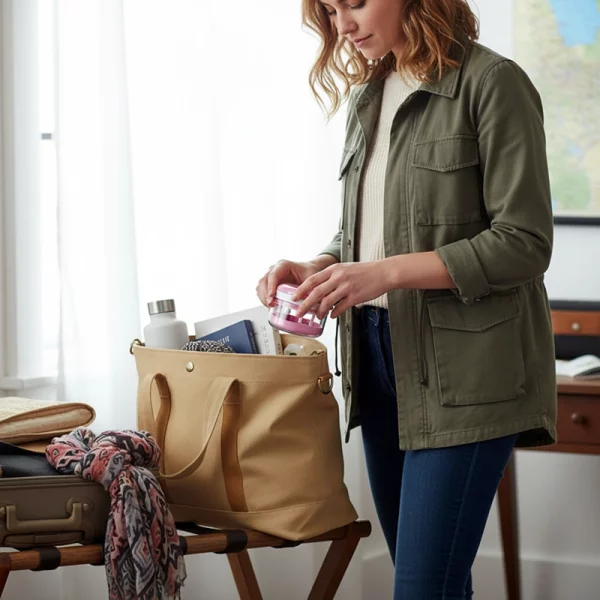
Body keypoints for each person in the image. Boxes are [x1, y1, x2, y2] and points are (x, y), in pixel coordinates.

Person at [256, 1, 557, 598]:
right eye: (331, 10)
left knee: (421, 589)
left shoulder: (493, 83)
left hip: (468, 372)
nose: (342, 25)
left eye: (356, 3)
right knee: (435, 584)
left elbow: (524, 242)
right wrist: (322, 265)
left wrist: (387, 274)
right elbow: (373, 230)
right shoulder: (370, 94)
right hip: (376, 359)